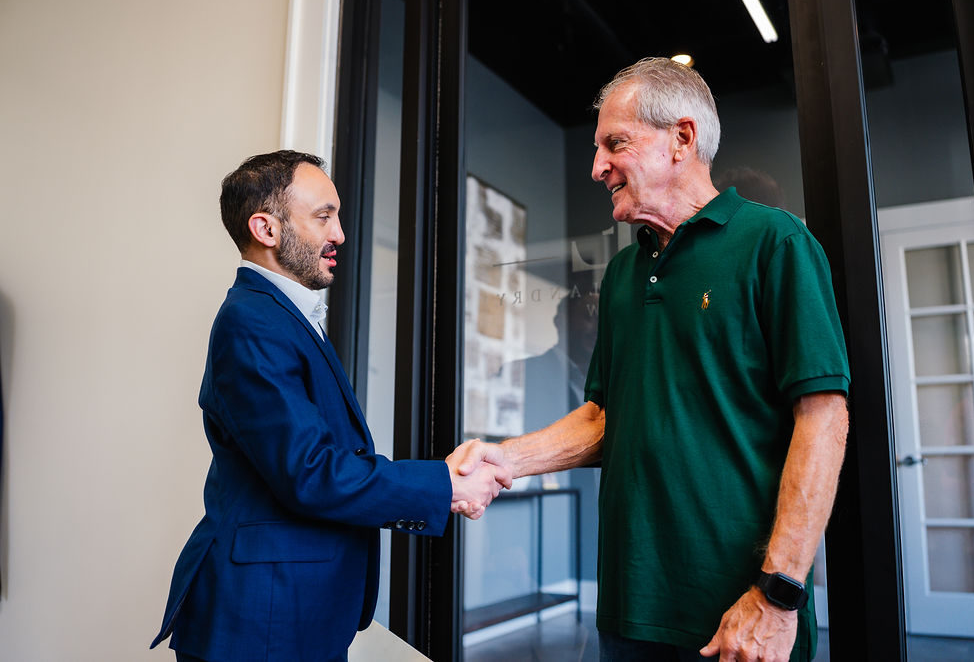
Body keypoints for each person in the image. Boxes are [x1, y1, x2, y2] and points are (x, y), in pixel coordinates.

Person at [452, 58, 850, 662]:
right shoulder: (621, 274)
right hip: (629, 606)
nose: (597, 167)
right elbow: (604, 418)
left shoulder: (776, 244)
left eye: (615, 144)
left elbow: (823, 419)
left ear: (682, 139)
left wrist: (778, 594)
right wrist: (504, 459)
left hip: (741, 617)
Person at [151, 151, 508, 662]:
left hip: (292, 611)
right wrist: (444, 484)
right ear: (266, 229)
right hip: (261, 622)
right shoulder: (251, 321)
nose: (339, 233)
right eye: (323, 216)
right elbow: (310, 471)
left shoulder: (282, 316)